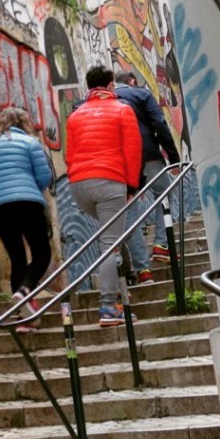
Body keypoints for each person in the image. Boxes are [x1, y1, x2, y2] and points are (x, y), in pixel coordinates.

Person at [65, 65, 142, 327]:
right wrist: (131, 187)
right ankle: (109, 306)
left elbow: (70, 155)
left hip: (79, 186)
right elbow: (132, 152)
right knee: (110, 244)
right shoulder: (122, 110)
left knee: (113, 236)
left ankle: (121, 282)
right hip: (109, 182)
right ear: (110, 86)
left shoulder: (75, 116)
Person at [0, 107, 54, 333]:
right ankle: (25, 292)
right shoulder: (30, 143)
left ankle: (23, 318)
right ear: (23, 124)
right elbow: (45, 176)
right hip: (28, 202)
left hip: (0, 208)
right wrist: (28, 189)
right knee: (42, 254)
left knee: (17, 258)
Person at [114, 69, 182, 275]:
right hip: (147, 154)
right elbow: (159, 124)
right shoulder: (141, 94)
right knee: (164, 194)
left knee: (130, 210)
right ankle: (162, 244)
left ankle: (143, 269)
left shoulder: (106, 100)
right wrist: (174, 158)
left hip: (120, 162)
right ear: (132, 80)